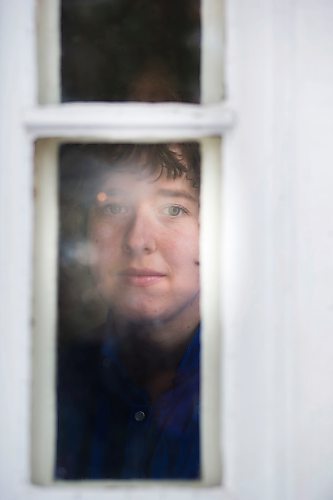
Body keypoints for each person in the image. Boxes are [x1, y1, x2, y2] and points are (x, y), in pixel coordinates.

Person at [56, 143, 201, 480]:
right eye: (115, 207)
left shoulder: (258, 381)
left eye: (174, 209)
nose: (138, 240)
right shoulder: (52, 380)